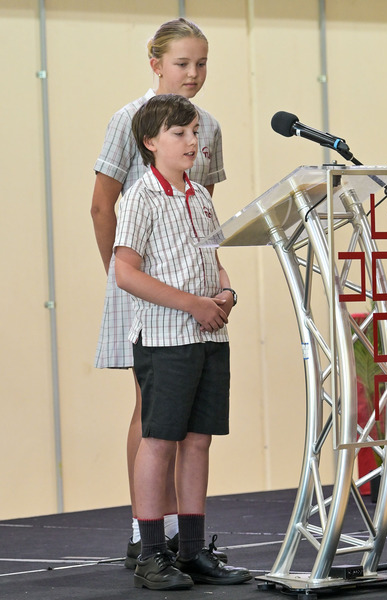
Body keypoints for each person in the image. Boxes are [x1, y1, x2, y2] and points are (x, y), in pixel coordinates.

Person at [90, 18, 227, 566]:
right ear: (156, 64)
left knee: (189, 422)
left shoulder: (208, 125)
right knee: (152, 409)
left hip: (192, 288)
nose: (192, 73)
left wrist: (215, 284)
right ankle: (145, 532)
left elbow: (202, 209)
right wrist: (121, 278)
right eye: (181, 63)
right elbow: (102, 204)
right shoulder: (129, 119)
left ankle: (182, 538)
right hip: (141, 282)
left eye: (201, 63)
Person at [114, 93, 250, 591]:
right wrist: (192, 304)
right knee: (160, 440)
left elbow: (213, 260)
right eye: (179, 133)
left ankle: (191, 551)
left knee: (198, 440)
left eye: (195, 132)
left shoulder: (201, 196)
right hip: (165, 339)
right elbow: (125, 272)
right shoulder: (140, 197)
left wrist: (226, 292)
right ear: (151, 142)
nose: (192, 141)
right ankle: (152, 554)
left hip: (209, 336)